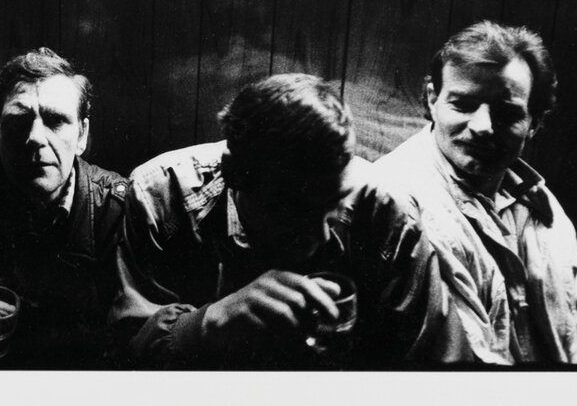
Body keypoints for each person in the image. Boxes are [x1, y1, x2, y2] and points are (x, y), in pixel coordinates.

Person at [112, 72, 467, 366]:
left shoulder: (387, 211)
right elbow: (123, 354)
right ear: (232, 174)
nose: (323, 236)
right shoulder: (163, 193)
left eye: (334, 204)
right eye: (294, 210)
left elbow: (434, 365)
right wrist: (210, 323)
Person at [366, 21, 577, 364]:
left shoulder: (544, 207)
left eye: (507, 113)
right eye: (462, 104)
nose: (483, 127)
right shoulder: (395, 200)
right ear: (433, 99)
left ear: (534, 122)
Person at [0, 49, 136, 368]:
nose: (35, 138)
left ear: (82, 134)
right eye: (18, 122)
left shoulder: (118, 211)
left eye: (55, 121)